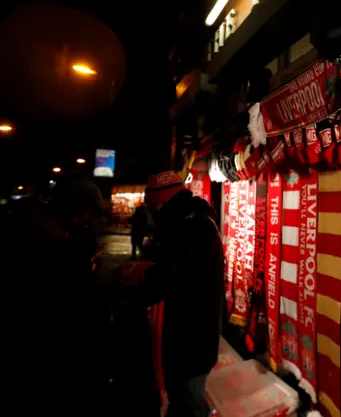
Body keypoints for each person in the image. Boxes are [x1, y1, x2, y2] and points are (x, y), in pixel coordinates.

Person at [1, 178, 110, 416]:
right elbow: (74, 306)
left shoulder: (30, 230)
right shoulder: (56, 248)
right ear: (79, 211)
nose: (91, 223)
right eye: (90, 215)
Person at [135, 171, 224, 417]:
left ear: (163, 202)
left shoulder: (189, 226)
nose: (151, 214)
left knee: (188, 402)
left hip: (190, 337)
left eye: (152, 207)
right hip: (190, 336)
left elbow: (175, 276)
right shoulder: (192, 221)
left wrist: (142, 280)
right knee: (185, 399)